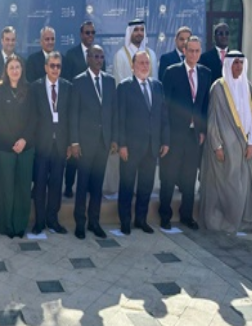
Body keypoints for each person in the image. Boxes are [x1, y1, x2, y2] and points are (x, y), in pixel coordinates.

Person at [199, 51, 252, 233]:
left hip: (244, 146)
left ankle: (240, 222)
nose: (238, 67)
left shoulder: (248, 86)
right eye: (235, 63)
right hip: (224, 147)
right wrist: (217, 145)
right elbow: (212, 120)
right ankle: (220, 223)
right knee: (224, 187)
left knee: (242, 186)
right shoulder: (218, 87)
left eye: (241, 63)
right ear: (228, 65)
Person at [159, 36, 211, 230]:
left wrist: (202, 130)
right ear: (184, 51)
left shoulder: (205, 73)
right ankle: (165, 215)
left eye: (197, 51)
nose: (194, 54)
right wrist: (165, 135)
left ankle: (186, 216)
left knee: (189, 178)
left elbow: (204, 105)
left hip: (193, 135)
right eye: (191, 50)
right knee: (169, 176)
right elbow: (165, 105)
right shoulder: (172, 72)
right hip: (174, 134)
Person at [117, 51, 170, 235]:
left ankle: (141, 219)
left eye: (147, 63)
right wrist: (122, 144)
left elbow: (163, 116)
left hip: (152, 146)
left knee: (146, 186)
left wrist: (165, 141)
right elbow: (120, 118)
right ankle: (125, 221)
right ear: (133, 66)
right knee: (127, 186)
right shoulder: (124, 87)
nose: (145, 66)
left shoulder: (157, 86)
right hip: (130, 148)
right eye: (141, 63)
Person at [70, 44, 117, 239]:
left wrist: (113, 139)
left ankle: (94, 222)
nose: (99, 60)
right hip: (85, 143)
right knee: (82, 185)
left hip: (103, 142)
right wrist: (74, 142)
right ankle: (80, 223)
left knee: (97, 186)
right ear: (88, 58)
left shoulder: (110, 81)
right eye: (95, 56)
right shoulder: (78, 81)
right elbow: (73, 114)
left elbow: (113, 112)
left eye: (101, 57)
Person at [30, 52, 72, 234]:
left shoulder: (68, 87)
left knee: (56, 184)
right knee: (39, 185)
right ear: (45, 67)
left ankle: (53, 220)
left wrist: (70, 143)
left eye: (58, 66)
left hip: (60, 145)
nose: (55, 69)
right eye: (52, 65)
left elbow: (70, 117)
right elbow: (31, 117)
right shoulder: (35, 87)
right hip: (41, 144)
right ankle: (39, 221)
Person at [0, 55, 35, 239]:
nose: (15, 70)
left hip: (26, 147)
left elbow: (34, 117)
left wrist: (24, 140)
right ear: (6, 69)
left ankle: (19, 226)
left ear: (22, 69)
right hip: (5, 147)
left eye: (18, 67)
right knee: (7, 188)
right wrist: (13, 141)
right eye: (11, 67)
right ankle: (6, 226)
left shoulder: (30, 89)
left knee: (23, 188)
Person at [63, 20, 96, 198]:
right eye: (87, 32)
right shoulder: (71, 54)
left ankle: (89, 186)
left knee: (90, 154)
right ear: (81, 34)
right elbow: (67, 81)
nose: (90, 36)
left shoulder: (98, 54)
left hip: (92, 113)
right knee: (74, 153)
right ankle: (69, 186)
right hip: (75, 109)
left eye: (92, 33)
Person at [112, 19, 158, 84]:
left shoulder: (151, 54)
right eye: (136, 30)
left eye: (142, 30)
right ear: (130, 32)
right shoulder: (120, 55)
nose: (139, 33)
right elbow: (119, 81)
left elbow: (155, 81)